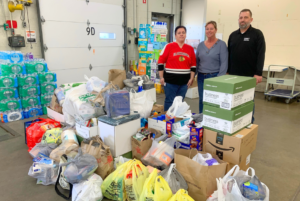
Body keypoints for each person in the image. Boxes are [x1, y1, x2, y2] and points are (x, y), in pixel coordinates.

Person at [227, 9, 266, 123]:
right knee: (234, 101)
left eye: (245, 17)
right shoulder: (233, 35)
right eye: (241, 17)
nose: (242, 20)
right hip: (233, 75)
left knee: (248, 101)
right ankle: (235, 122)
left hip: (249, 76)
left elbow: (261, 54)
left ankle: (249, 122)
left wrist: (258, 73)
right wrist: (227, 71)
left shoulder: (257, 34)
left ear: (251, 19)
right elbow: (229, 54)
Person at [158, 26, 196, 111]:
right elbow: (160, 62)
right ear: (175, 35)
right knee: (169, 101)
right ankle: (168, 121)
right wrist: (161, 77)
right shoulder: (169, 46)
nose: (181, 34)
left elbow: (193, 65)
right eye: (179, 33)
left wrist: (191, 78)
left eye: (183, 32)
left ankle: (176, 120)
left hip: (184, 83)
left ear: (186, 35)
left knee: (180, 102)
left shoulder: (190, 49)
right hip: (170, 81)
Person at [196, 21, 228, 113]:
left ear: (216, 30)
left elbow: (224, 63)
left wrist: (219, 79)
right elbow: (197, 61)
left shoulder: (221, 44)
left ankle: (212, 121)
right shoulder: (201, 45)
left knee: (213, 101)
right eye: (207, 29)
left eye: (211, 28)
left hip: (214, 76)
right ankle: (201, 120)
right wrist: (194, 75)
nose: (209, 31)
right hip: (201, 77)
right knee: (202, 100)